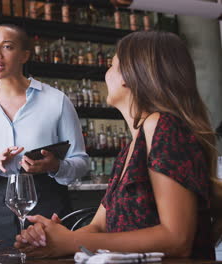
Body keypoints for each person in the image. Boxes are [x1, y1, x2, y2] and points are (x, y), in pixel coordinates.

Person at [14, 31, 222, 260]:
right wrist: (50, 238)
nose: (107, 74)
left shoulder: (162, 126)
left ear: (128, 75)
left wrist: (70, 241)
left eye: (112, 65)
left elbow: (176, 239)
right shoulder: (131, 149)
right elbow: (98, 227)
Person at [0, 24, 89, 248]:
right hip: (0, 208)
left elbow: (82, 162)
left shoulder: (57, 101)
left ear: (24, 55)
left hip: (49, 207)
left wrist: (54, 166)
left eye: (7, 47)